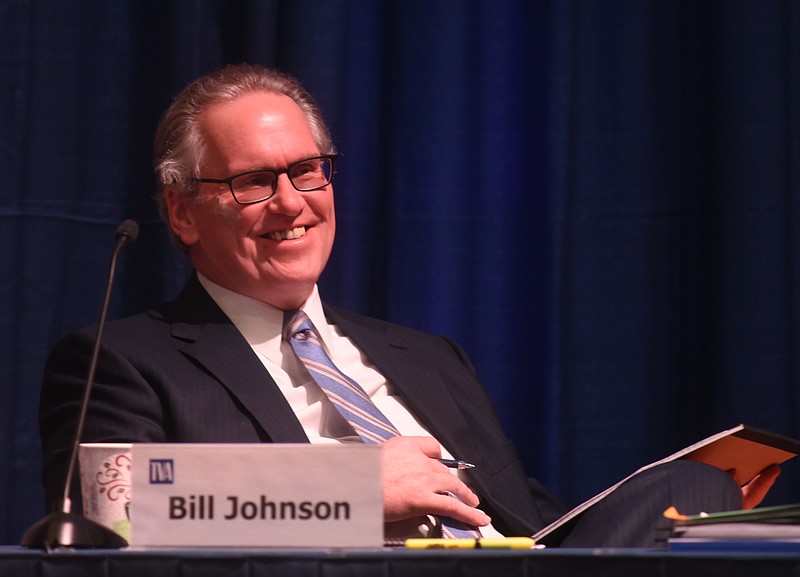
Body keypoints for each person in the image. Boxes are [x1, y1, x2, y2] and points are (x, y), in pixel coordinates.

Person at [38, 63, 779, 547]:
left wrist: (686, 522)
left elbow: (535, 527)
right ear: (183, 212)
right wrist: (352, 490)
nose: (291, 202)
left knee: (695, 494)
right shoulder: (126, 357)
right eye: (253, 182)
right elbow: (118, 517)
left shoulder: (427, 357)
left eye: (307, 171)